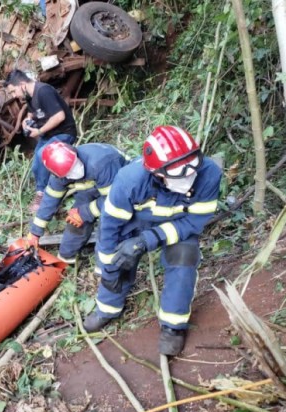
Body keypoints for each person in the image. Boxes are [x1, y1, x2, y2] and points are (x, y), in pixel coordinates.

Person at [84, 126, 222, 356]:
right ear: (157, 173)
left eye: (192, 166)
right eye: (179, 172)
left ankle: (173, 326)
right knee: (116, 259)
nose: (189, 176)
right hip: (135, 222)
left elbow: (195, 222)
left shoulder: (209, 173)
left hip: (178, 226)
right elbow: (109, 226)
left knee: (184, 258)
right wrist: (107, 265)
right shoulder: (130, 181)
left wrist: (147, 241)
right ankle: (107, 309)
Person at [25, 140, 128, 264]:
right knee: (75, 221)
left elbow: (116, 199)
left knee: (106, 226)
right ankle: (65, 261)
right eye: (69, 173)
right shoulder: (59, 174)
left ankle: (105, 266)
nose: (75, 172)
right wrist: (35, 232)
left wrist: (86, 212)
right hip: (91, 188)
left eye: (75, 165)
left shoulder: (102, 163)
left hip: (120, 189)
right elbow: (50, 200)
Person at [5, 69, 78, 211]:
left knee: (42, 155)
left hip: (64, 133)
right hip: (49, 135)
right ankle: (42, 192)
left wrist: (39, 131)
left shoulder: (44, 91)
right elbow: (32, 112)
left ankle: (44, 196)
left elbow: (59, 116)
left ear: (21, 84)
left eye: (14, 91)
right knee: (36, 164)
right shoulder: (28, 95)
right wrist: (27, 120)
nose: (14, 95)